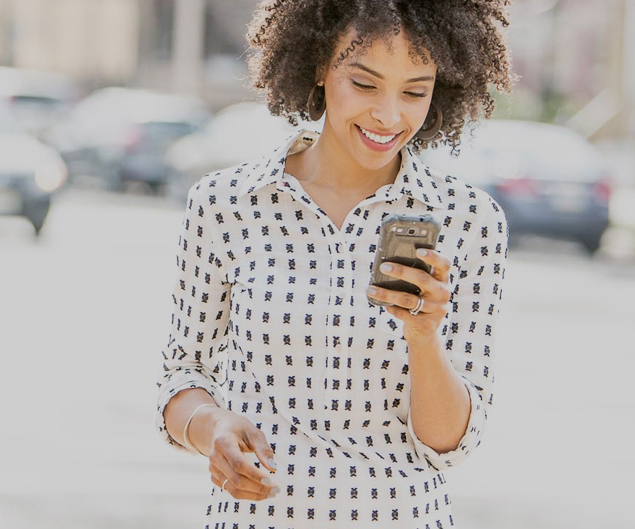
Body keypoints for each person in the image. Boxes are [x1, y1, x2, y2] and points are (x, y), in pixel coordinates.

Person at [154, 1, 516, 527]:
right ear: (321, 65)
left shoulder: (470, 221)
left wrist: (423, 336)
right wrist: (212, 427)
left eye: (415, 91)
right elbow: (181, 374)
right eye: (365, 84)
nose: (389, 117)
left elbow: (450, 443)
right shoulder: (225, 203)